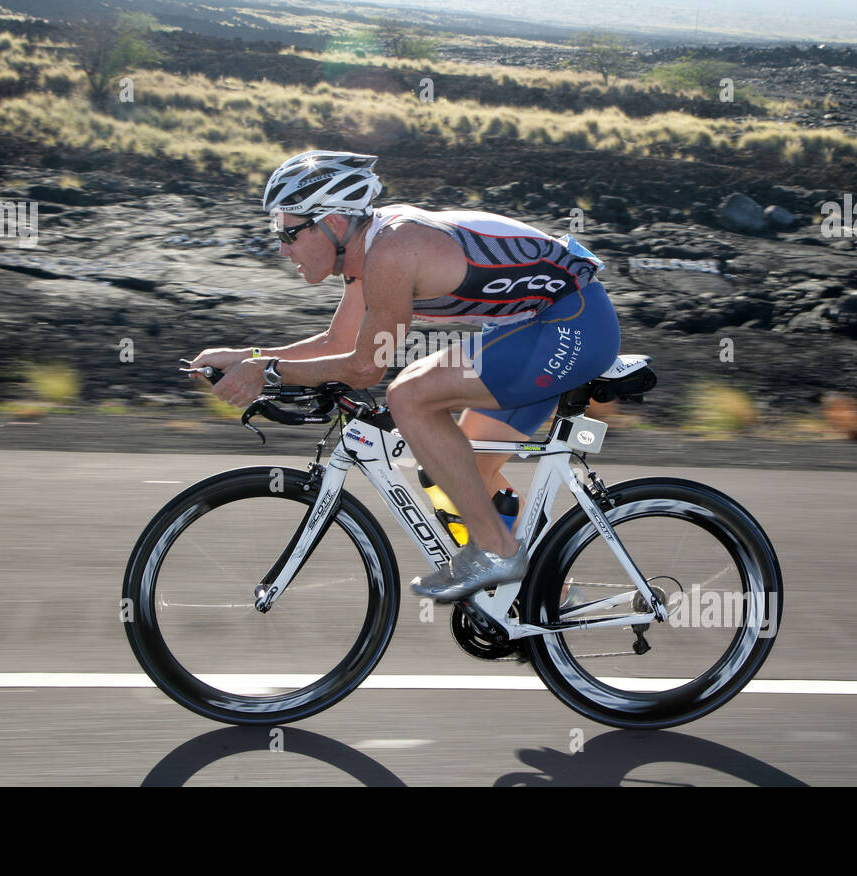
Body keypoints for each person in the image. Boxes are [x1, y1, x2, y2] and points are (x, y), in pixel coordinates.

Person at [184, 150, 620, 602]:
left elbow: (365, 366)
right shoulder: (365, 253)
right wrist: (246, 357)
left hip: (572, 324)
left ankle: (496, 550)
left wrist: (266, 372)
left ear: (332, 223)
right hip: (533, 327)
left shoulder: (391, 251)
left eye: (289, 232)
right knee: (455, 467)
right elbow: (339, 345)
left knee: (409, 396)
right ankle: (545, 595)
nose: (281, 247)